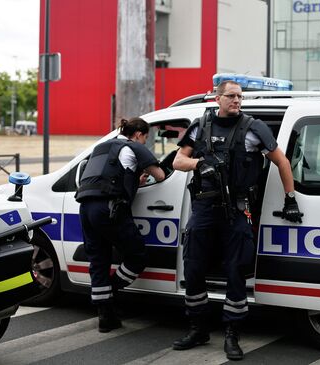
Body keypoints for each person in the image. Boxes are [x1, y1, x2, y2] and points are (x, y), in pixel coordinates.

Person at [171, 80, 303, 360]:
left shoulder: (254, 128)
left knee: (235, 273)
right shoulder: (200, 125)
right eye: (231, 96)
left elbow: (282, 162)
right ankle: (198, 329)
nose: (237, 101)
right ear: (217, 99)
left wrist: (290, 198)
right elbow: (178, 161)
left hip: (237, 209)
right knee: (193, 268)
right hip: (204, 209)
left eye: (239, 97)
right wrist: (200, 163)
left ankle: (232, 334)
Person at [75, 117, 165, 333]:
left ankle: (105, 315)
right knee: (137, 256)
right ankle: (114, 290)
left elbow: (108, 175)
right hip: (110, 208)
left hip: (86, 208)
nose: (144, 142)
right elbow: (160, 175)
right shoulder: (132, 146)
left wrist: (134, 180)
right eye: (145, 138)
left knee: (98, 260)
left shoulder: (101, 147)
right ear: (138, 135)